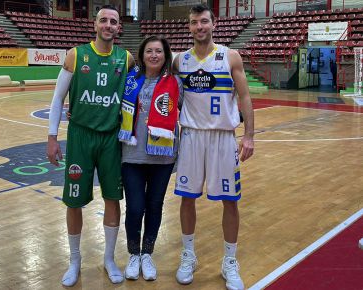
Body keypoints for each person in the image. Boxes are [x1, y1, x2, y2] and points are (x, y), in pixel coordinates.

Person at [46, 5, 134, 287]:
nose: (108, 25)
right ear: (95, 25)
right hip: (80, 137)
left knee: (113, 198)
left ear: (119, 27)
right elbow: (58, 98)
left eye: (113, 22)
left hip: (111, 139)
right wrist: (51, 137)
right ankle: (75, 260)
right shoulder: (76, 55)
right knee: (73, 201)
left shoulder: (127, 58)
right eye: (104, 21)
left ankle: (109, 259)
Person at [172, 4, 254, 290]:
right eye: (194, 23)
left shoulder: (230, 56)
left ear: (214, 23)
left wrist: (249, 135)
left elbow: (244, 97)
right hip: (191, 137)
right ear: (189, 27)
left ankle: (230, 261)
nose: (199, 27)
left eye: (204, 21)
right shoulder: (179, 61)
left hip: (223, 137)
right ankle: (188, 255)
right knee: (187, 197)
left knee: (230, 201)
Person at [118, 35, 183, 281]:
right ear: (142, 55)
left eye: (158, 51)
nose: (154, 55)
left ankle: (147, 253)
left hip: (163, 159)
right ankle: (133, 253)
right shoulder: (129, 80)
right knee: (135, 208)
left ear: (166, 56)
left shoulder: (176, 82)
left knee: (155, 206)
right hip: (132, 156)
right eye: (149, 51)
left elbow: (193, 109)